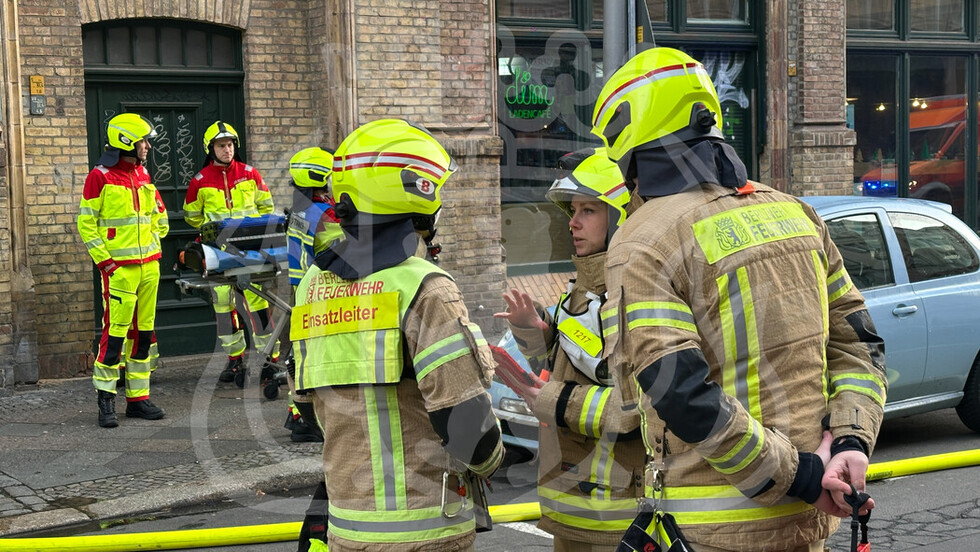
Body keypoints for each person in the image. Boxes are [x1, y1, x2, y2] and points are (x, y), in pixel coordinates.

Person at [590, 47, 887, 551]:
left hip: (718, 528)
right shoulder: (796, 213)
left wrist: (802, 478)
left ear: (629, 142)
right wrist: (851, 442)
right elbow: (861, 348)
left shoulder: (644, 240)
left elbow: (681, 395)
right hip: (811, 520)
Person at [290, 118, 503, 551]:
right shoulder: (424, 288)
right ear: (415, 193)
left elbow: (311, 411)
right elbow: (469, 432)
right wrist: (493, 462)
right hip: (425, 532)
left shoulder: (312, 286)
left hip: (346, 531)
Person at [493, 148, 645, 551]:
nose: (573, 223)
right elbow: (564, 366)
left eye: (588, 211)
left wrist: (548, 399)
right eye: (573, 210)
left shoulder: (635, 293)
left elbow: (636, 408)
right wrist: (533, 333)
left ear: (620, 216)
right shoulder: (580, 287)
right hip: (570, 498)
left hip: (614, 508)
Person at [77, 113, 169, 428]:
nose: (147, 147)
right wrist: (107, 263)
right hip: (119, 270)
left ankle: (138, 399)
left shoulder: (143, 173)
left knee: (143, 335)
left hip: (149, 267)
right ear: (127, 142)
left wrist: (156, 242)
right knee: (114, 335)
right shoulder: (99, 177)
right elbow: (85, 224)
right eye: (143, 141)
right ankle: (106, 399)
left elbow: (159, 212)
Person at [183, 121, 279, 383]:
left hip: (249, 250)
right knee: (223, 307)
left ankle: (269, 361)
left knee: (258, 304)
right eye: (221, 145)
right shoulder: (199, 181)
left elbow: (266, 208)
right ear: (210, 148)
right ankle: (234, 360)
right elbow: (192, 217)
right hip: (217, 252)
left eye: (230, 145)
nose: (227, 150)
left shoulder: (250, 173)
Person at [281, 146, 344, 443]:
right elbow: (345, 249)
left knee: (300, 353)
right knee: (314, 357)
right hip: (321, 292)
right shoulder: (323, 215)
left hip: (301, 289)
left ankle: (297, 415)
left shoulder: (301, 209)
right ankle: (306, 420)